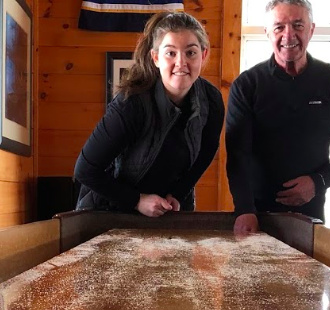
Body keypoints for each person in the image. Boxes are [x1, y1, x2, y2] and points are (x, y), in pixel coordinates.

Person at [226, 0, 330, 234]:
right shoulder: (247, 85)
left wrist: (317, 182)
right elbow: (238, 156)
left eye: (298, 25)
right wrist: (244, 209)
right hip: (256, 217)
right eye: (279, 27)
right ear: (267, 32)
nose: (288, 35)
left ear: (311, 29)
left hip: (310, 218)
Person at [74, 11, 224, 217]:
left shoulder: (212, 100)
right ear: (155, 58)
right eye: (170, 53)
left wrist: (178, 194)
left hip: (168, 211)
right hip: (109, 210)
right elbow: (85, 170)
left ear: (204, 55)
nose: (181, 63)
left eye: (191, 52)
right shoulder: (131, 103)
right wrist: (137, 201)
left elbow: (207, 152)